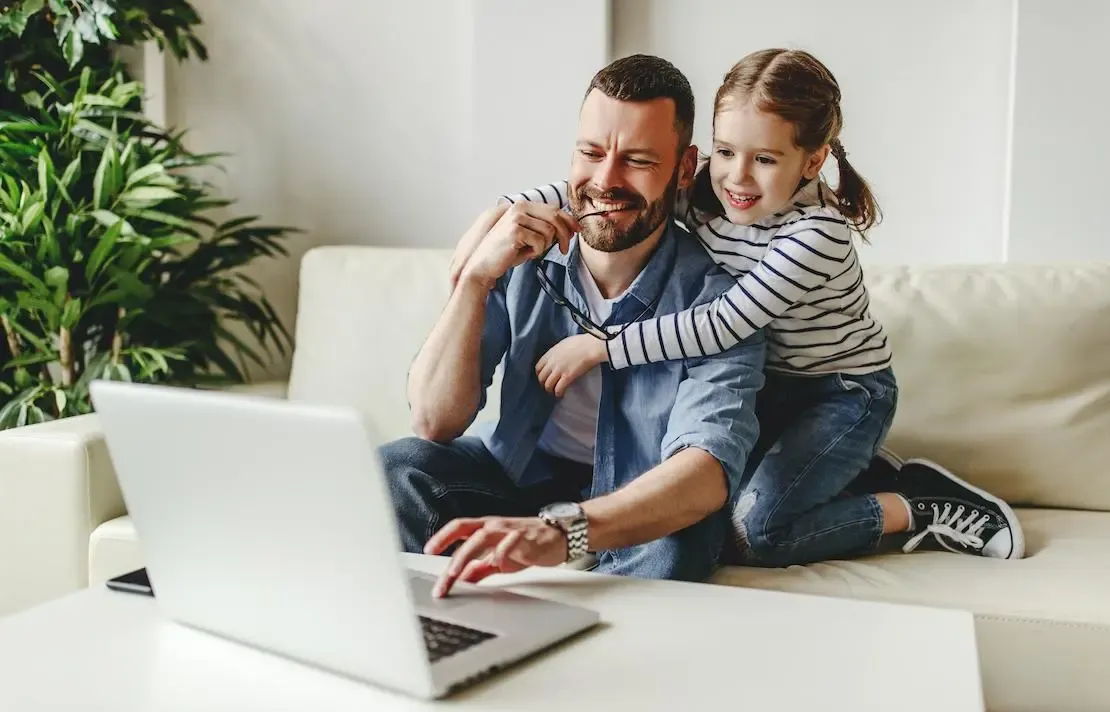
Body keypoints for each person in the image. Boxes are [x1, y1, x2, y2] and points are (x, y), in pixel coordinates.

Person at [471, 49, 1025, 565]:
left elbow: (724, 322)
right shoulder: (709, 193)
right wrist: (500, 216)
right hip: (768, 383)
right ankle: (845, 472)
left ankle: (916, 504)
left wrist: (603, 347)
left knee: (756, 532)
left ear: (812, 162)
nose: (738, 177)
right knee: (690, 503)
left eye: (765, 159)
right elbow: (606, 193)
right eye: (727, 152)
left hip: (839, 393)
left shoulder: (817, 234)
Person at [384, 54, 767, 598]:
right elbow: (435, 420)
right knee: (399, 468)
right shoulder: (521, 255)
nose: (606, 181)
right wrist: (474, 280)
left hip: (635, 500)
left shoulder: (724, 302)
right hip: (520, 478)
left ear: (685, 169)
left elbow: (703, 473)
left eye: (636, 160)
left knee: (684, 535)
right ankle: (446, 632)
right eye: (591, 153)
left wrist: (568, 530)